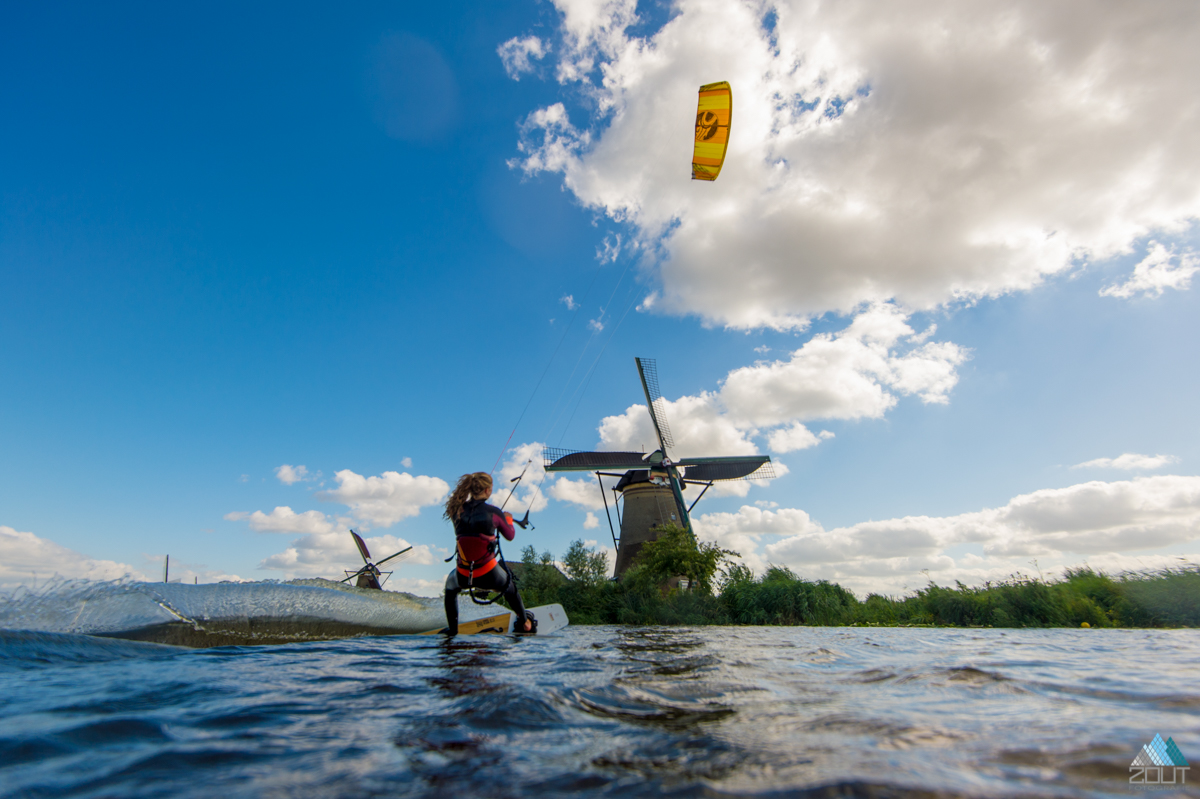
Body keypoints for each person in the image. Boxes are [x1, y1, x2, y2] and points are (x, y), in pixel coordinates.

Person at [442, 472, 535, 635]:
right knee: (510, 587)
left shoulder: (455, 511)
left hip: (464, 575)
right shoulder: (494, 512)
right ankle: (526, 623)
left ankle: (453, 630)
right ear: (487, 490)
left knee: (450, 588)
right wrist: (508, 520)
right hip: (488, 574)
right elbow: (510, 536)